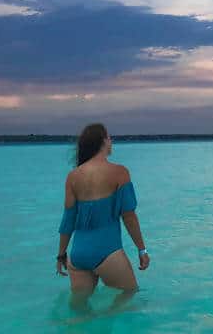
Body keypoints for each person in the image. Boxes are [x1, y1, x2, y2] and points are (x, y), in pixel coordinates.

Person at [56, 123, 150, 304]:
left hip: (78, 254)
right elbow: (129, 216)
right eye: (109, 137)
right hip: (107, 251)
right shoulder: (119, 172)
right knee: (130, 296)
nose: (111, 141)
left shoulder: (73, 176)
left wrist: (61, 255)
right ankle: (105, 318)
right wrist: (142, 250)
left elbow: (68, 220)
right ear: (103, 141)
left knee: (79, 308)